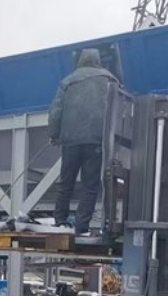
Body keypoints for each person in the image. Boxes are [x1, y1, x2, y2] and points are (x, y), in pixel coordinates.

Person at [48, 48, 119, 235]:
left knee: (66, 183)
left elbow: (55, 111)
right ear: (98, 60)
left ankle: (60, 221)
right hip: (96, 142)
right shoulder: (111, 80)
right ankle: (81, 226)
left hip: (70, 141)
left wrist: (54, 135)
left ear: (80, 60)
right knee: (90, 185)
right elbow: (119, 108)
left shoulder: (67, 82)